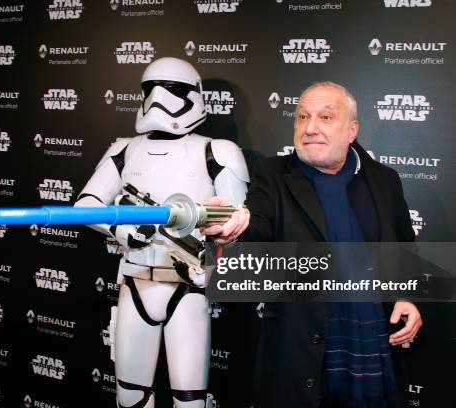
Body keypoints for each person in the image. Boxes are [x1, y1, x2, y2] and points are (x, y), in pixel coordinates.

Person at [203, 82, 423, 408]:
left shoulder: (384, 180)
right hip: (301, 357)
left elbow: (405, 247)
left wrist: (407, 296)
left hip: (374, 348)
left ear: (352, 130)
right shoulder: (272, 174)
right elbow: (256, 224)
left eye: (325, 117)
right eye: (302, 116)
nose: (310, 128)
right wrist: (231, 231)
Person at [74, 57, 249, 407]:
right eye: (150, 89)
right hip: (136, 281)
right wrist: (124, 231)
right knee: (131, 395)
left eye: (171, 90)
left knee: (190, 398)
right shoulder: (125, 149)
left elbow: (234, 220)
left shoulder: (216, 151)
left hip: (188, 286)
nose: (158, 98)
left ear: (193, 96)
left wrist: (203, 223)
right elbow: (85, 206)